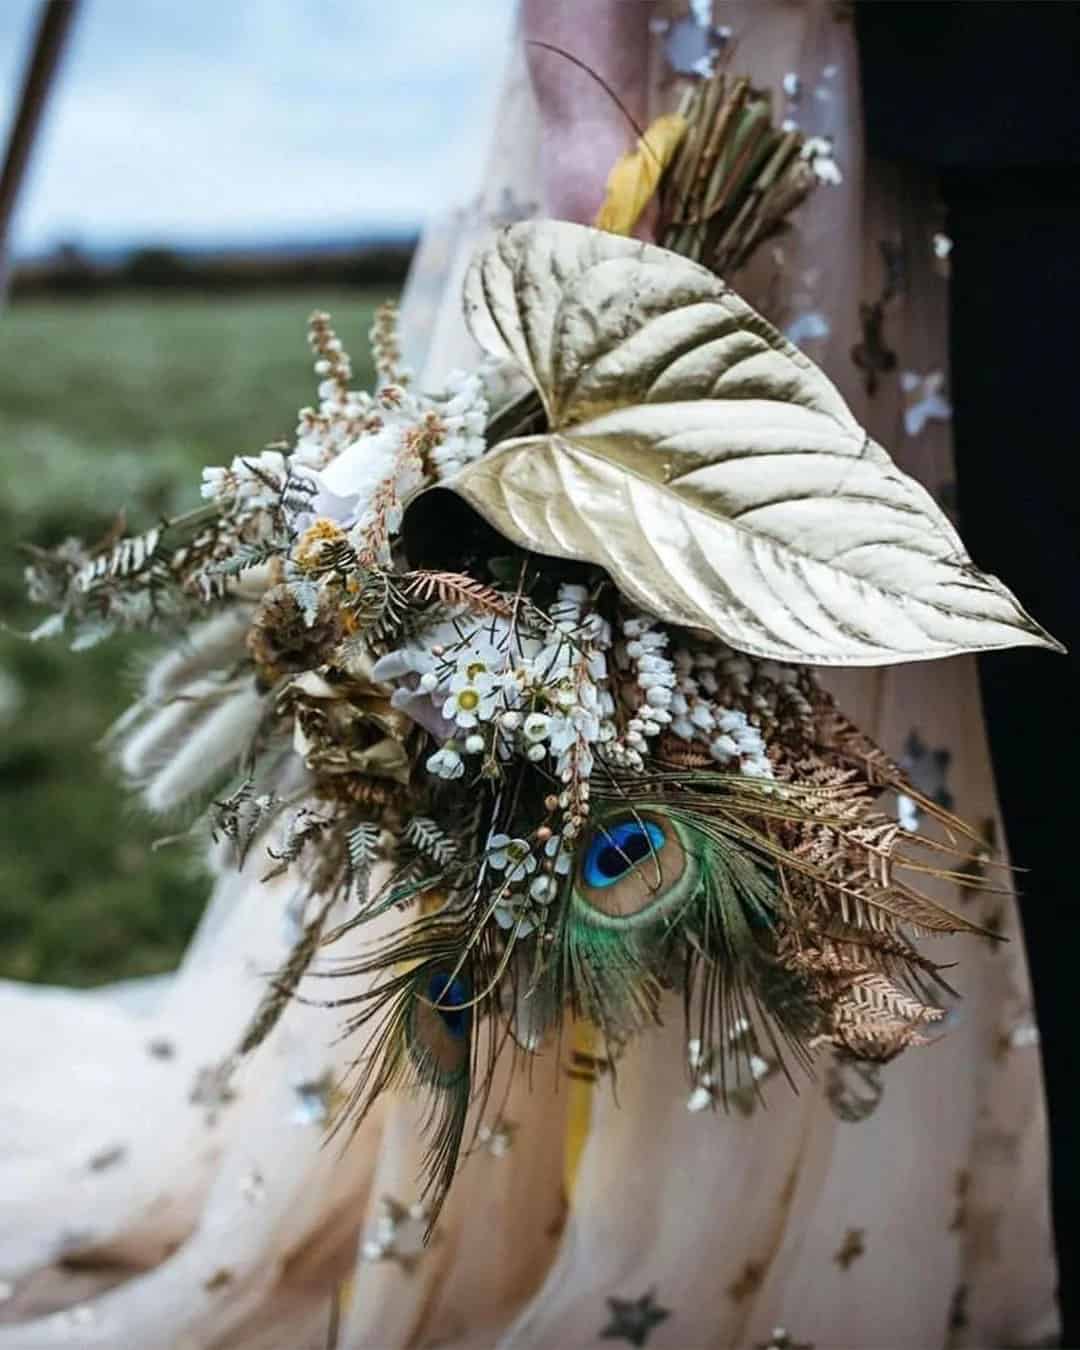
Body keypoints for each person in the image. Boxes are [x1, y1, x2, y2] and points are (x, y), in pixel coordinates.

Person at [0, 4, 1059, 1346]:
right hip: (700, 84)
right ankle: (606, 1214)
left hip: (902, 156)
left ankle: (867, 1185)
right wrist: (589, 113)